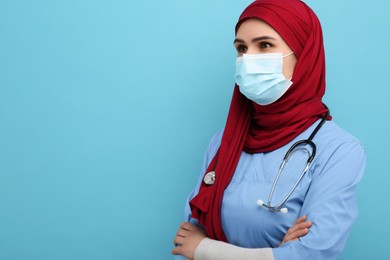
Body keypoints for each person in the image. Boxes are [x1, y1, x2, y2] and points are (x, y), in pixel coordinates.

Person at [172, 0, 366, 259]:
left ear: (304, 55)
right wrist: (276, 253)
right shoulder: (224, 141)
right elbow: (190, 232)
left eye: (264, 45)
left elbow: (313, 252)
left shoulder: (339, 150)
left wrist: (206, 248)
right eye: (241, 48)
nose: (248, 59)